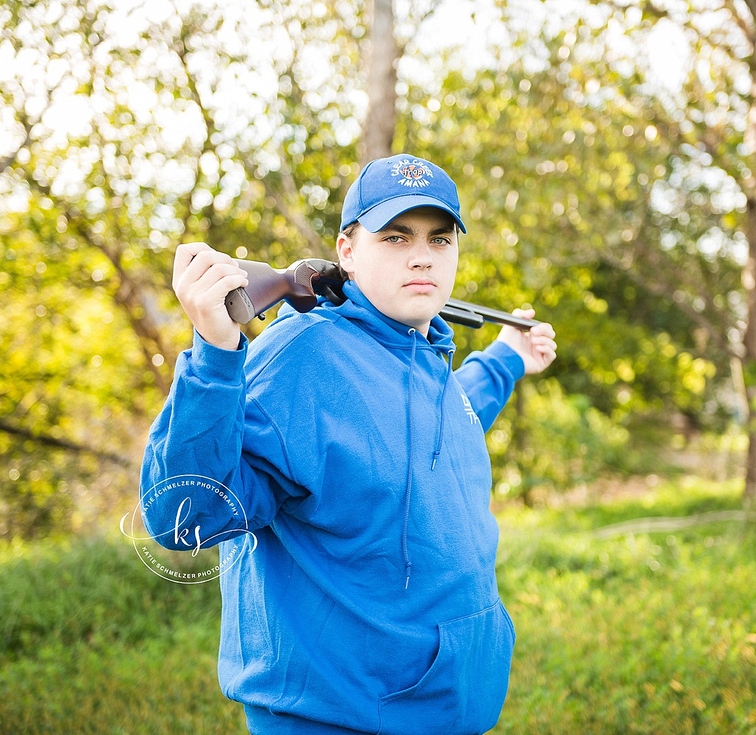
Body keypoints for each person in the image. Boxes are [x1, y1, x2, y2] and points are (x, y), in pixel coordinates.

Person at [140, 154, 557, 734]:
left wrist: (508, 358)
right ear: (347, 250)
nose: (422, 255)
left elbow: (442, 424)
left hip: (445, 708)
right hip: (337, 717)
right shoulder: (302, 357)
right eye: (395, 236)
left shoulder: (424, 350)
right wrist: (214, 351)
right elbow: (184, 516)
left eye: (441, 239)